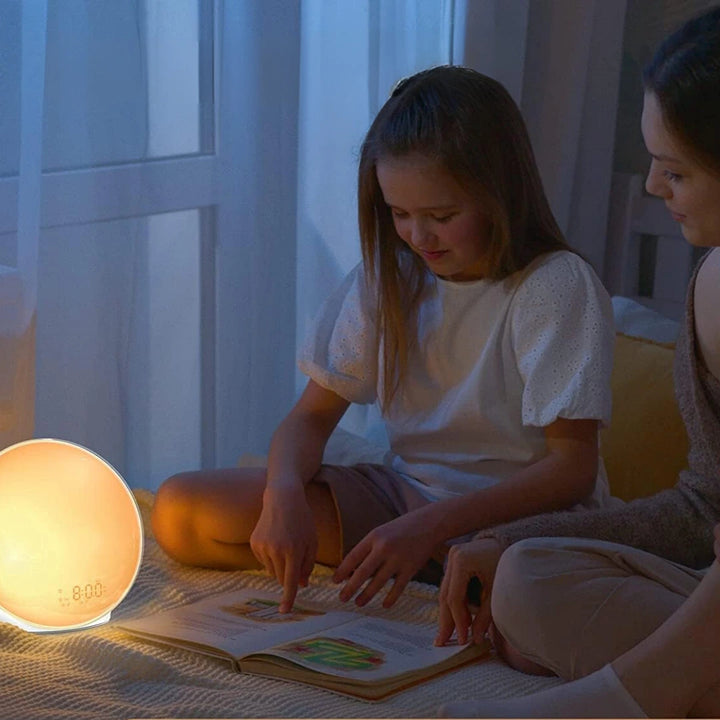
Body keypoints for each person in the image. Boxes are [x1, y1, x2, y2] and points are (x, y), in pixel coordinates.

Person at [151, 66, 615, 617]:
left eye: (442, 216)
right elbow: (311, 417)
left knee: (531, 610)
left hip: (514, 521)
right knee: (181, 512)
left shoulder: (553, 285)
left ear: (498, 193)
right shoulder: (391, 276)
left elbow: (571, 468)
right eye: (400, 214)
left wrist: (429, 527)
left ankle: (443, 572)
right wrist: (284, 496)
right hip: (403, 498)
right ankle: (416, 568)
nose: (419, 237)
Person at [438, 6, 720, 718]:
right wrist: (508, 536)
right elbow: (701, 507)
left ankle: (638, 694)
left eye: (675, 171)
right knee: (526, 574)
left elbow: (571, 461)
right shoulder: (712, 281)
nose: (654, 187)